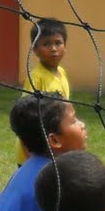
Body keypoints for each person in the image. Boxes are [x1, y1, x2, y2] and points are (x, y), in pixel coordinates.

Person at [16, 19, 69, 164]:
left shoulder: (62, 73)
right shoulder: (36, 77)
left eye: (58, 43)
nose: (53, 49)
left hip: (54, 145)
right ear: (35, 49)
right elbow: (25, 114)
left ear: (65, 46)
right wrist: (28, 152)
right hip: (34, 149)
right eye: (46, 44)